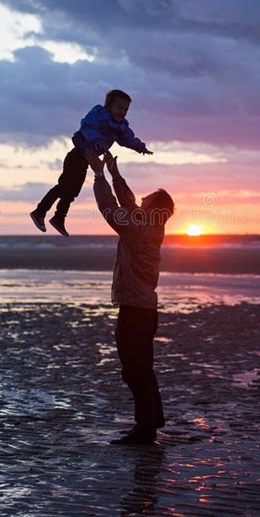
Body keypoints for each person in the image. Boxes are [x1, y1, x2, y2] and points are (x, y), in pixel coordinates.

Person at [86, 148, 174, 445]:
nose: (142, 200)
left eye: (147, 199)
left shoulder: (139, 229)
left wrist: (98, 175)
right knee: (142, 369)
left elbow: (110, 209)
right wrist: (112, 171)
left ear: (153, 208)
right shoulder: (150, 225)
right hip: (143, 309)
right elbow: (128, 201)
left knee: (134, 370)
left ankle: (145, 429)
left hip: (136, 310)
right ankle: (151, 422)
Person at [29, 89, 153, 237]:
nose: (123, 112)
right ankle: (39, 212)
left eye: (126, 109)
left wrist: (139, 147)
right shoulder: (99, 114)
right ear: (109, 106)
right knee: (64, 187)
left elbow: (127, 138)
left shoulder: (120, 126)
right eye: (120, 108)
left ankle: (59, 217)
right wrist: (97, 141)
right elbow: (88, 125)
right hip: (78, 154)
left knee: (73, 191)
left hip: (87, 161)